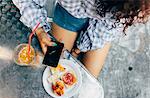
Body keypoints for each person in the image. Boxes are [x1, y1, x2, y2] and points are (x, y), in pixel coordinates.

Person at [12, 0, 150, 78]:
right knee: (53, 67)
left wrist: (79, 48)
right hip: (70, 12)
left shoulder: (137, 6)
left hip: (107, 22)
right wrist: (40, 30)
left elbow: (111, 27)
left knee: (87, 79)